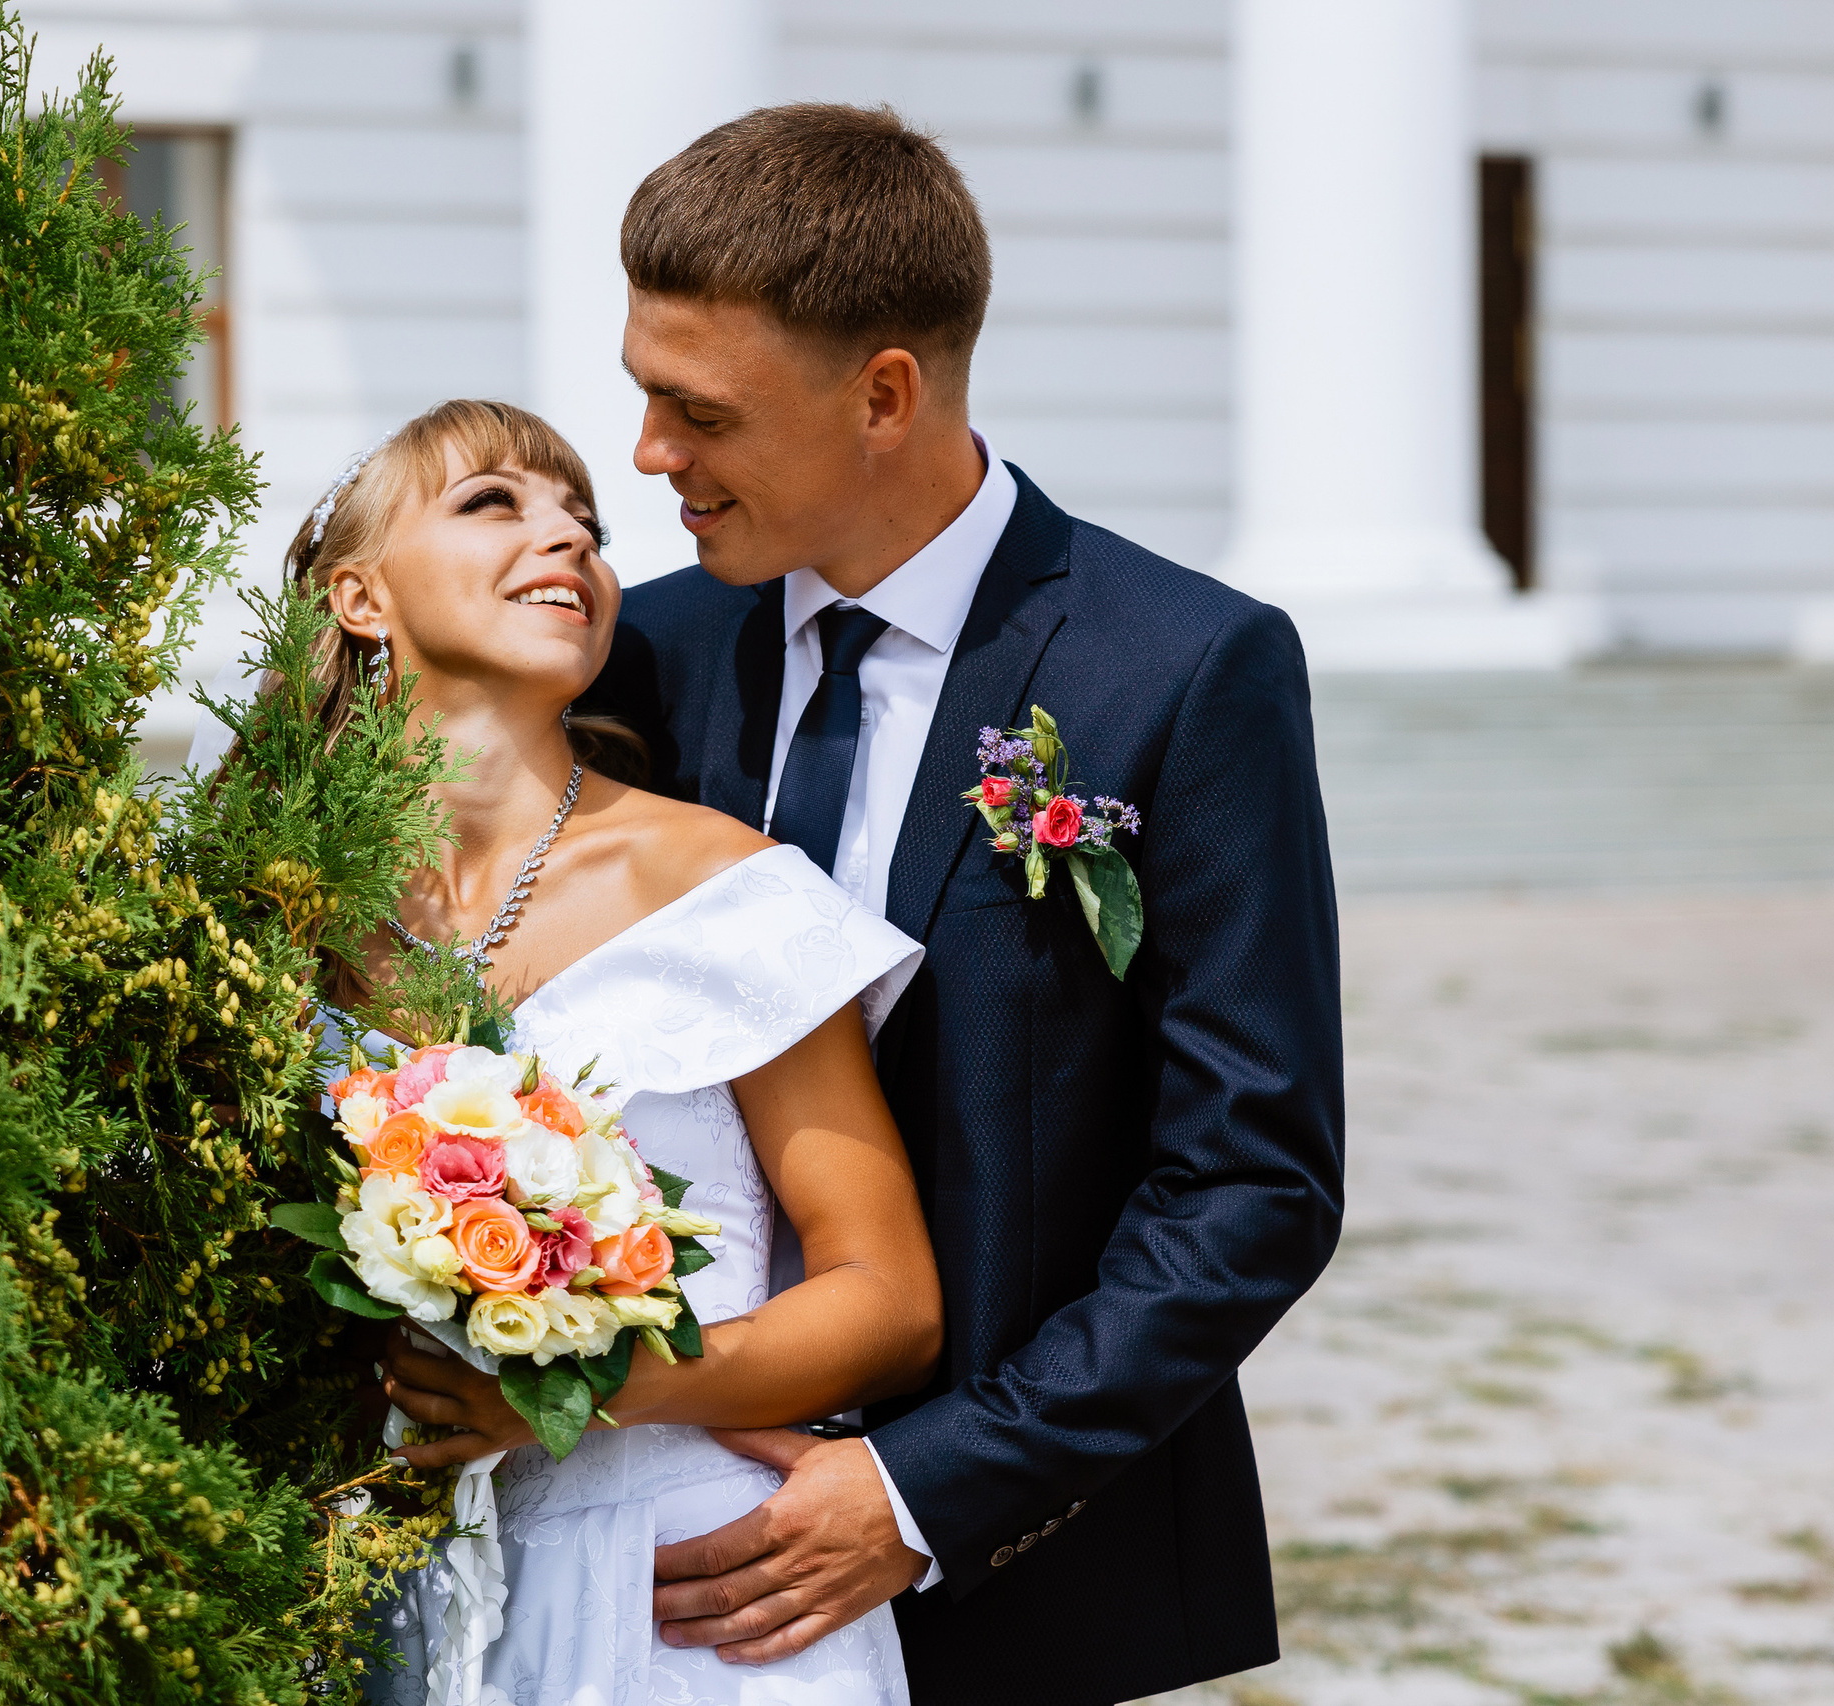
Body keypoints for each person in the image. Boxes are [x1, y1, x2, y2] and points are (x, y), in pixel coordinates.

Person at [578, 105, 1347, 1705]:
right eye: (646, 394)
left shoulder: (1183, 670)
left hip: (1034, 1582)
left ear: (884, 394)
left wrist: (927, 1489)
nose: (649, 454)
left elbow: (1249, 1183)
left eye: (695, 408)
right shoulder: (633, 656)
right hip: (661, 1579)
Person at [281, 398, 940, 1705]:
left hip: (687, 1596)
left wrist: (597, 1386)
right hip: (381, 1594)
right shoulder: (274, 927)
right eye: (495, 504)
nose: (566, 538)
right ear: (359, 593)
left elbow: (891, 1298)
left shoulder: (726, 887)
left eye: (585, 522)